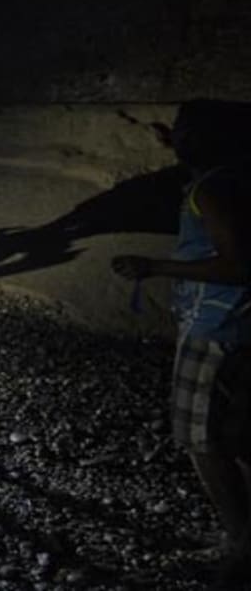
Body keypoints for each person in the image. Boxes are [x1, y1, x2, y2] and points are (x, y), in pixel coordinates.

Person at [113, 100, 251, 584]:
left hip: (215, 328)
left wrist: (154, 267)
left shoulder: (212, 190)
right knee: (236, 435)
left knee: (201, 440)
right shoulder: (232, 177)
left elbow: (237, 263)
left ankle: (241, 547)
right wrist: (173, 143)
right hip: (235, 326)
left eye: (185, 130)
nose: (177, 136)